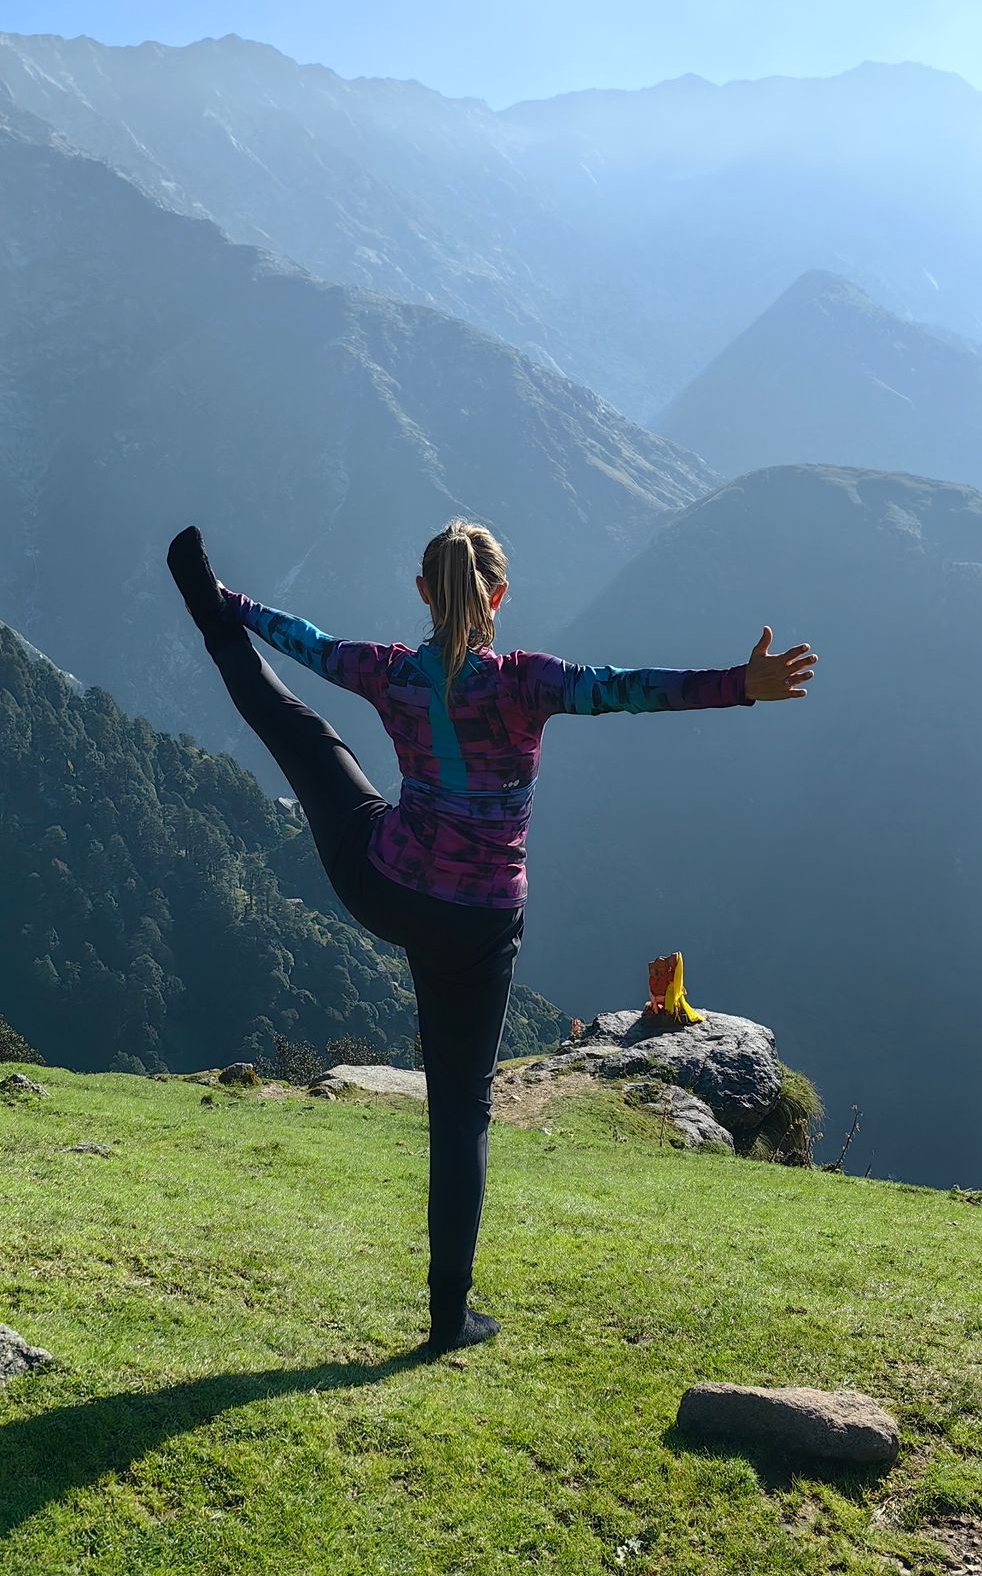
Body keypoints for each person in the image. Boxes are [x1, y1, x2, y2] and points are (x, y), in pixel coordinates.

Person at [167, 519, 817, 1356]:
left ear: (423, 593)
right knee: (460, 1108)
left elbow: (308, 643)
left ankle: (206, 611)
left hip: (386, 883)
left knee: (303, 734)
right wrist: (742, 684)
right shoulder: (526, 685)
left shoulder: (390, 671)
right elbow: (630, 689)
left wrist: (231, 603)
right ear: (499, 597)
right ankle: (449, 1320)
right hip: (476, 922)